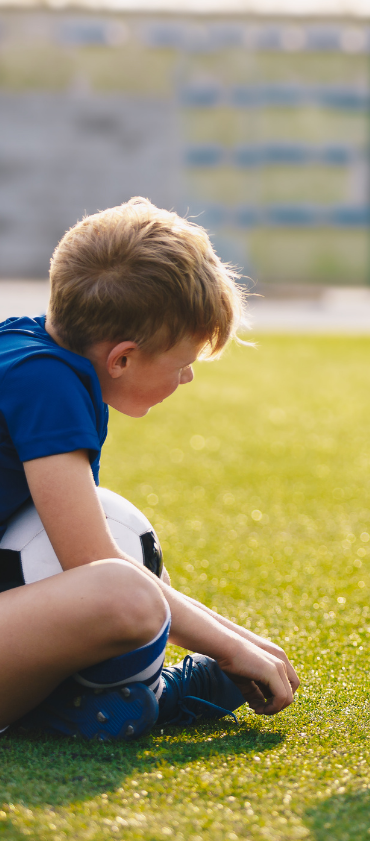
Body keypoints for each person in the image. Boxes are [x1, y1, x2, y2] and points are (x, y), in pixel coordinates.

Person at [0, 198, 299, 741]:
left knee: (124, 560)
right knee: (125, 593)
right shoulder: (47, 383)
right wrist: (229, 648)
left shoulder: (26, 347)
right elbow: (94, 565)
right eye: (182, 364)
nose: (187, 379)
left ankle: (88, 699)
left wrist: (239, 641)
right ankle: (140, 696)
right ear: (122, 358)